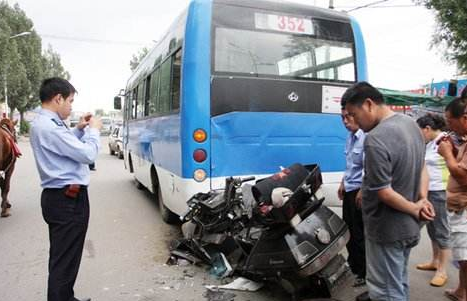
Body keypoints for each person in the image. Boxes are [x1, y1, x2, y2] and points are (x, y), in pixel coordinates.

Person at [341, 81, 435, 301]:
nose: (353, 121)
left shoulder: (375, 139)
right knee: (398, 283)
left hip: (387, 230)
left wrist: (415, 207)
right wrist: (422, 200)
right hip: (410, 228)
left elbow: (383, 192)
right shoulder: (411, 124)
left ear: (369, 104)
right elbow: (422, 168)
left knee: (385, 292)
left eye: (354, 114)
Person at [30, 77, 102, 301]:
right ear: (57, 98)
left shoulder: (45, 123)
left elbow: (64, 145)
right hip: (67, 200)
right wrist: (93, 131)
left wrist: (79, 130)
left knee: (64, 257)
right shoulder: (48, 127)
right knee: (65, 260)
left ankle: (65, 297)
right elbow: (87, 154)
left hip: (60, 198)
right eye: (69, 101)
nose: (71, 106)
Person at [415, 114, 451, 287]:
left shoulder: (445, 141)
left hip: (440, 191)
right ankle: (435, 261)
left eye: (419, 131)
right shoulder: (430, 144)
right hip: (428, 191)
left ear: (427, 129)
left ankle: (442, 271)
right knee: (432, 228)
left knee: (442, 230)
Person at [437, 96, 467, 301]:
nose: (448, 125)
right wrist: (454, 151)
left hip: (462, 210)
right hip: (458, 208)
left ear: (464, 118)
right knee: (462, 256)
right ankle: (461, 291)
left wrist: (447, 153)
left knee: (465, 258)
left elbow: (463, 176)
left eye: (450, 120)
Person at [338, 107, 366, 287]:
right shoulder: (350, 138)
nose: (345, 121)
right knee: (348, 230)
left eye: (348, 117)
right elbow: (350, 166)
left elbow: (369, 166)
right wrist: (342, 183)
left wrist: (364, 189)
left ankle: (364, 272)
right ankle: (354, 265)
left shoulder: (366, 137)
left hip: (360, 191)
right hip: (349, 189)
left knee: (360, 233)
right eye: (342, 118)